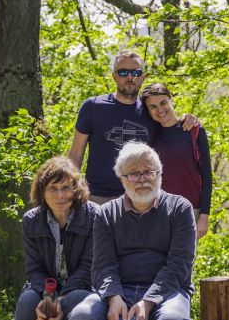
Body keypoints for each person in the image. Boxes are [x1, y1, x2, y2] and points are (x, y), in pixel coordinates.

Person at [68, 142, 197, 320]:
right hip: (120, 289)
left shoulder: (180, 208)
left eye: (148, 172)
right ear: (122, 179)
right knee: (80, 319)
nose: (142, 179)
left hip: (167, 291)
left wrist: (148, 302)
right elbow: (102, 265)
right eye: (133, 174)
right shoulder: (106, 214)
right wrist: (113, 297)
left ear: (160, 174)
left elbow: (179, 265)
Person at [9, 158, 98, 320]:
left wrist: (61, 298)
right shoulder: (31, 220)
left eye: (66, 187)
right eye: (53, 188)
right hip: (45, 286)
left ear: (77, 189)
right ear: (42, 191)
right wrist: (47, 297)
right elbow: (34, 268)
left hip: (83, 286)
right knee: (27, 301)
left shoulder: (94, 216)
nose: (60, 195)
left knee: (75, 300)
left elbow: (89, 268)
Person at [68, 49, 199, 204]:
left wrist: (188, 119)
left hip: (139, 198)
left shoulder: (151, 111)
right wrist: (69, 189)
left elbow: (172, 132)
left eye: (136, 73)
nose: (130, 77)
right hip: (97, 197)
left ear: (143, 77)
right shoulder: (93, 107)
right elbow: (76, 153)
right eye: (123, 72)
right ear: (114, 76)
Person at [141, 83, 213, 239]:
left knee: (184, 255)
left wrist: (204, 216)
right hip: (156, 211)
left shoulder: (194, 130)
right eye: (153, 107)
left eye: (163, 103)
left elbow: (206, 175)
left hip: (190, 209)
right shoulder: (149, 134)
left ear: (171, 100)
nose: (160, 109)